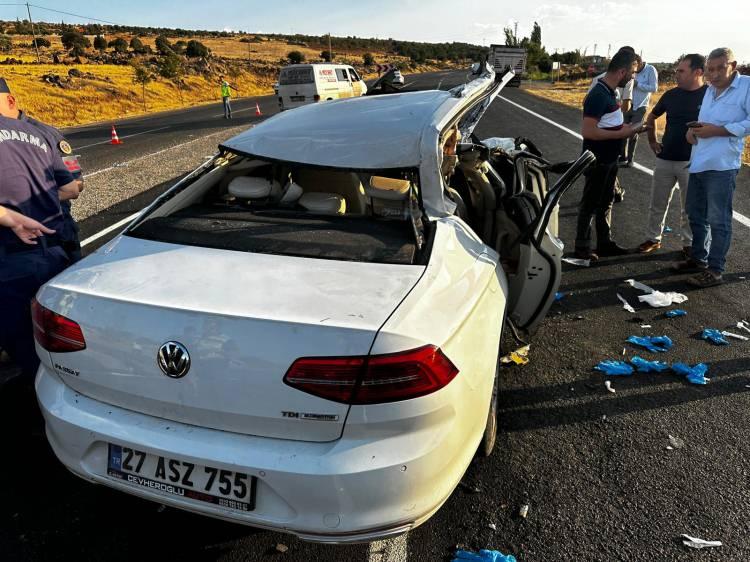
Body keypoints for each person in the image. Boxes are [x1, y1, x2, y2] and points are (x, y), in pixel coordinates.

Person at [0, 112, 80, 384]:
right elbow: (71, 186)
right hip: (51, 251)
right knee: (60, 340)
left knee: (28, 350)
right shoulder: (36, 132)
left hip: (10, 261)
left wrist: (7, 215)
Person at [674, 47, 750, 287]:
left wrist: (716, 131)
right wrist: (692, 131)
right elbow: (705, 119)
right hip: (699, 161)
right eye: (710, 69)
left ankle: (715, 270)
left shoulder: (746, 86)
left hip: (722, 165)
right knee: (695, 214)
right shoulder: (709, 90)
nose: (714, 74)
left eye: (720, 68)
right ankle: (698, 259)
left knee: (718, 219)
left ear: (733, 65)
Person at [0, 77, 84, 262]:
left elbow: (76, 183)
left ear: (11, 101)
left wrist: (27, 204)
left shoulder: (47, 133)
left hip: (56, 232)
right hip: (11, 240)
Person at [575, 49, 644, 261]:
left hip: (609, 160)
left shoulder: (610, 92)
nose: (634, 76)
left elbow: (612, 124)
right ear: (622, 71)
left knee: (605, 202)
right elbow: (588, 131)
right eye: (632, 71)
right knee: (590, 204)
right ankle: (582, 248)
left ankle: (604, 243)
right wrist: (625, 132)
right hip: (597, 160)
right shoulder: (598, 94)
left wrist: (632, 128)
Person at [638, 54, 707, 256]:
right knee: (657, 203)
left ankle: (688, 244)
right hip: (665, 158)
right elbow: (652, 116)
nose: (676, 74)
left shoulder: (709, 95)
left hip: (692, 161)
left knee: (689, 207)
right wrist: (651, 141)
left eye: (681, 71)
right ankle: (653, 238)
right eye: (677, 70)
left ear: (698, 72)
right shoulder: (671, 95)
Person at [620, 54, 658, 167]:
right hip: (628, 103)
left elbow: (654, 88)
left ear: (640, 63)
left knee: (633, 132)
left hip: (641, 106)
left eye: (635, 66)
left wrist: (638, 84)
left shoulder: (650, 70)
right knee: (622, 131)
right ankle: (622, 156)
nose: (634, 69)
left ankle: (630, 160)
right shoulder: (631, 70)